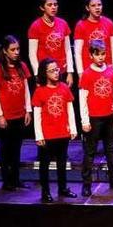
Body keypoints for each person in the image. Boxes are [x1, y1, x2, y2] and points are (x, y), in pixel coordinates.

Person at [79, 39, 113, 197]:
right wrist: (84, 121)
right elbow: (83, 99)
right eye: (97, 54)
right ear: (91, 55)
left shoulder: (111, 72)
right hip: (94, 118)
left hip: (109, 116)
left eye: (103, 54)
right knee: (90, 151)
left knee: (111, 150)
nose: (101, 57)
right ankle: (86, 184)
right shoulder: (86, 74)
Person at [0, 35, 32, 191]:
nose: (16, 52)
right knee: (6, 149)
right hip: (6, 116)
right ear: (5, 51)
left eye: (18, 49)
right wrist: (0, 115)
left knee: (16, 148)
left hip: (19, 114)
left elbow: (26, 89)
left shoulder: (22, 66)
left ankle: (16, 179)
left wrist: (28, 109)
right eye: (13, 50)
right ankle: (6, 181)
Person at [32, 58, 77, 203]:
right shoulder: (40, 91)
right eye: (52, 71)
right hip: (47, 134)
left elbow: (70, 110)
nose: (56, 73)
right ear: (44, 73)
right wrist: (39, 135)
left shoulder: (64, 87)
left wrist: (73, 128)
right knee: (44, 165)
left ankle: (62, 188)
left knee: (62, 163)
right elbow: (37, 115)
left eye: (57, 69)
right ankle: (45, 192)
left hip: (62, 132)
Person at [28, 0, 74, 85]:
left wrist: (70, 72)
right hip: (45, 73)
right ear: (42, 8)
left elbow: (68, 50)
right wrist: (37, 74)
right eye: (49, 5)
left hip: (61, 71)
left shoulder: (63, 24)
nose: (53, 7)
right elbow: (32, 53)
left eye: (55, 4)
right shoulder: (35, 26)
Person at [74, 0, 113, 74]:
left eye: (99, 5)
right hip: (88, 69)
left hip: (107, 69)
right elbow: (77, 52)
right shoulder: (80, 25)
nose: (97, 8)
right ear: (87, 8)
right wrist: (80, 72)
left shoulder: (109, 23)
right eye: (93, 5)